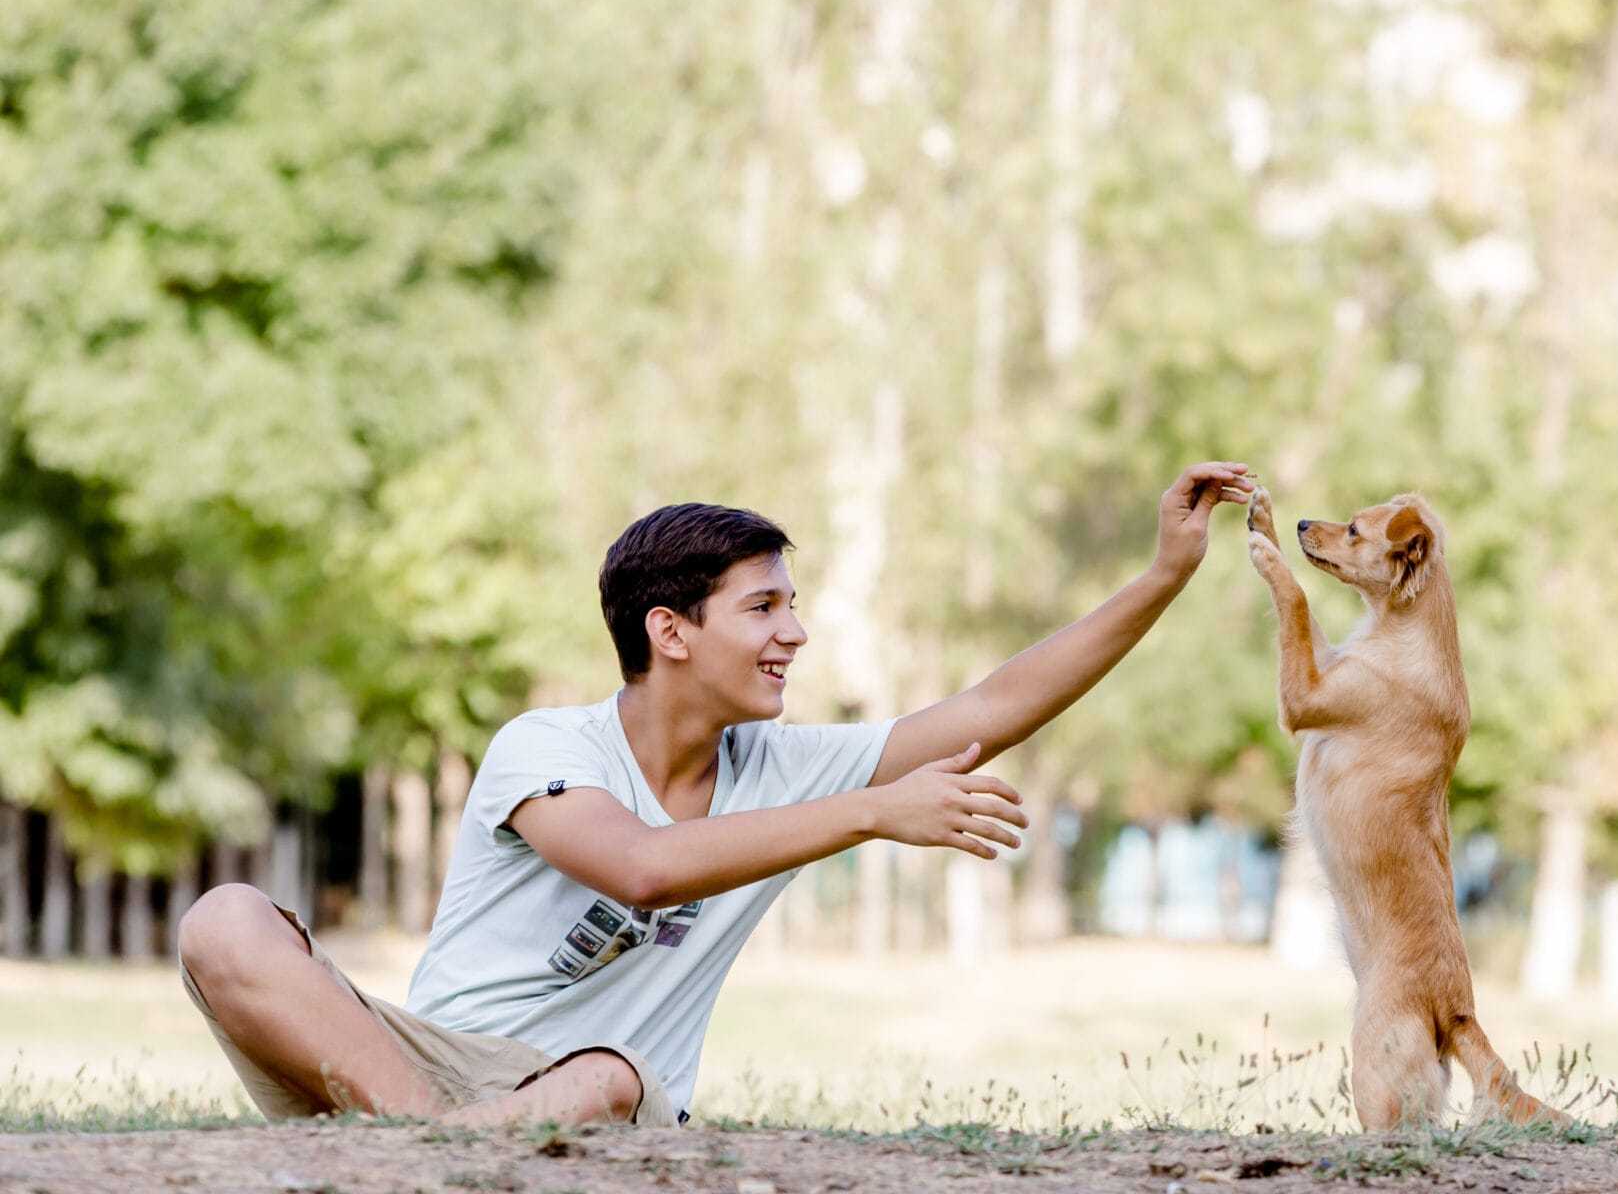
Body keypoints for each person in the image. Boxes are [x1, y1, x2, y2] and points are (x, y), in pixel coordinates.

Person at [177, 461, 1253, 1128]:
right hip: (413, 1064)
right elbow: (639, 866)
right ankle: (436, 1152)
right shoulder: (546, 744)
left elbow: (997, 699)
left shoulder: (779, 770)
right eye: (765, 607)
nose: (794, 632)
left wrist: (1163, 574)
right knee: (225, 918)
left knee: (609, 1073)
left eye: (794, 604)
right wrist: (874, 811)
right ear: (671, 629)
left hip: (589, 1091)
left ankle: (437, 1161)